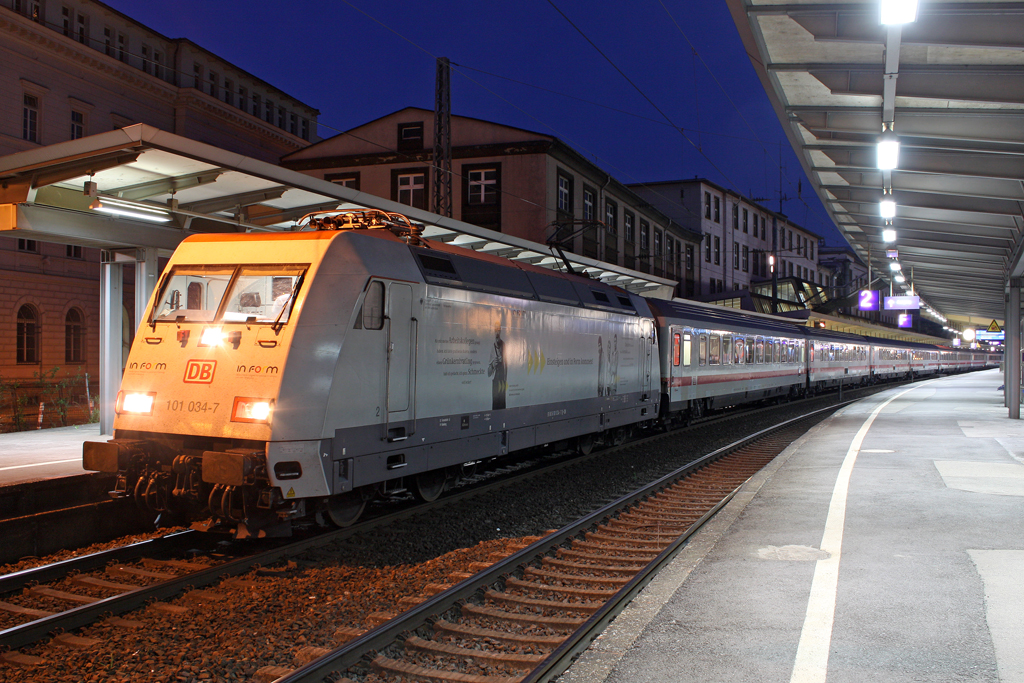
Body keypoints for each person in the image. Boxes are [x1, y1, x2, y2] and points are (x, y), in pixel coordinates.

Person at [488, 325, 506, 410]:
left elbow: (507, 365)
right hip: (495, 381)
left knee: (502, 405)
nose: (497, 333)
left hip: (502, 381)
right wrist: (492, 365)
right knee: (495, 405)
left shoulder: (504, 345)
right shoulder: (492, 347)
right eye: (496, 330)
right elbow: (488, 373)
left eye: (498, 330)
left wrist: (503, 360)